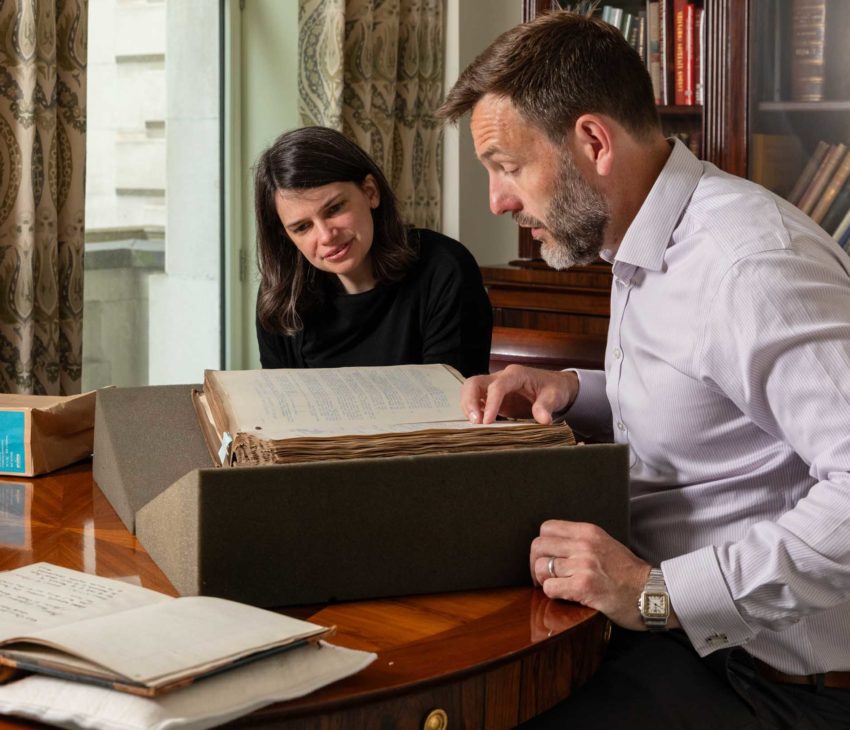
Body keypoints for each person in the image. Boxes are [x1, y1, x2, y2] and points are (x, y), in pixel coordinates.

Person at [439, 10, 850, 729]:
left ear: (593, 141)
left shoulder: (747, 266)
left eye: (507, 167)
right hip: (682, 643)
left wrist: (655, 594)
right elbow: (711, 400)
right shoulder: (642, 234)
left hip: (777, 684)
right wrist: (572, 393)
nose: (498, 201)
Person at [253, 126, 492, 377]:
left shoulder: (444, 268)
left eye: (334, 209)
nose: (325, 236)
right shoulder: (281, 295)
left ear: (370, 192)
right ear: (287, 236)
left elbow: (455, 403)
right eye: (302, 227)